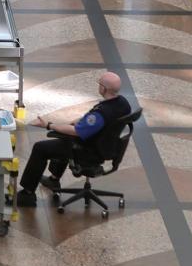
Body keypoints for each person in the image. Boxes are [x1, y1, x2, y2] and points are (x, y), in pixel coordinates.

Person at [16, 71, 131, 207]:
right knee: (63, 140)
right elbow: (91, 122)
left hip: (88, 151)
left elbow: (77, 131)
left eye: (99, 84)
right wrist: (78, 121)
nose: (98, 86)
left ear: (104, 89)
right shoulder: (123, 104)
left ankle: (27, 194)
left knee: (41, 148)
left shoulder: (101, 114)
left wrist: (48, 125)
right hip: (106, 146)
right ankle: (54, 179)